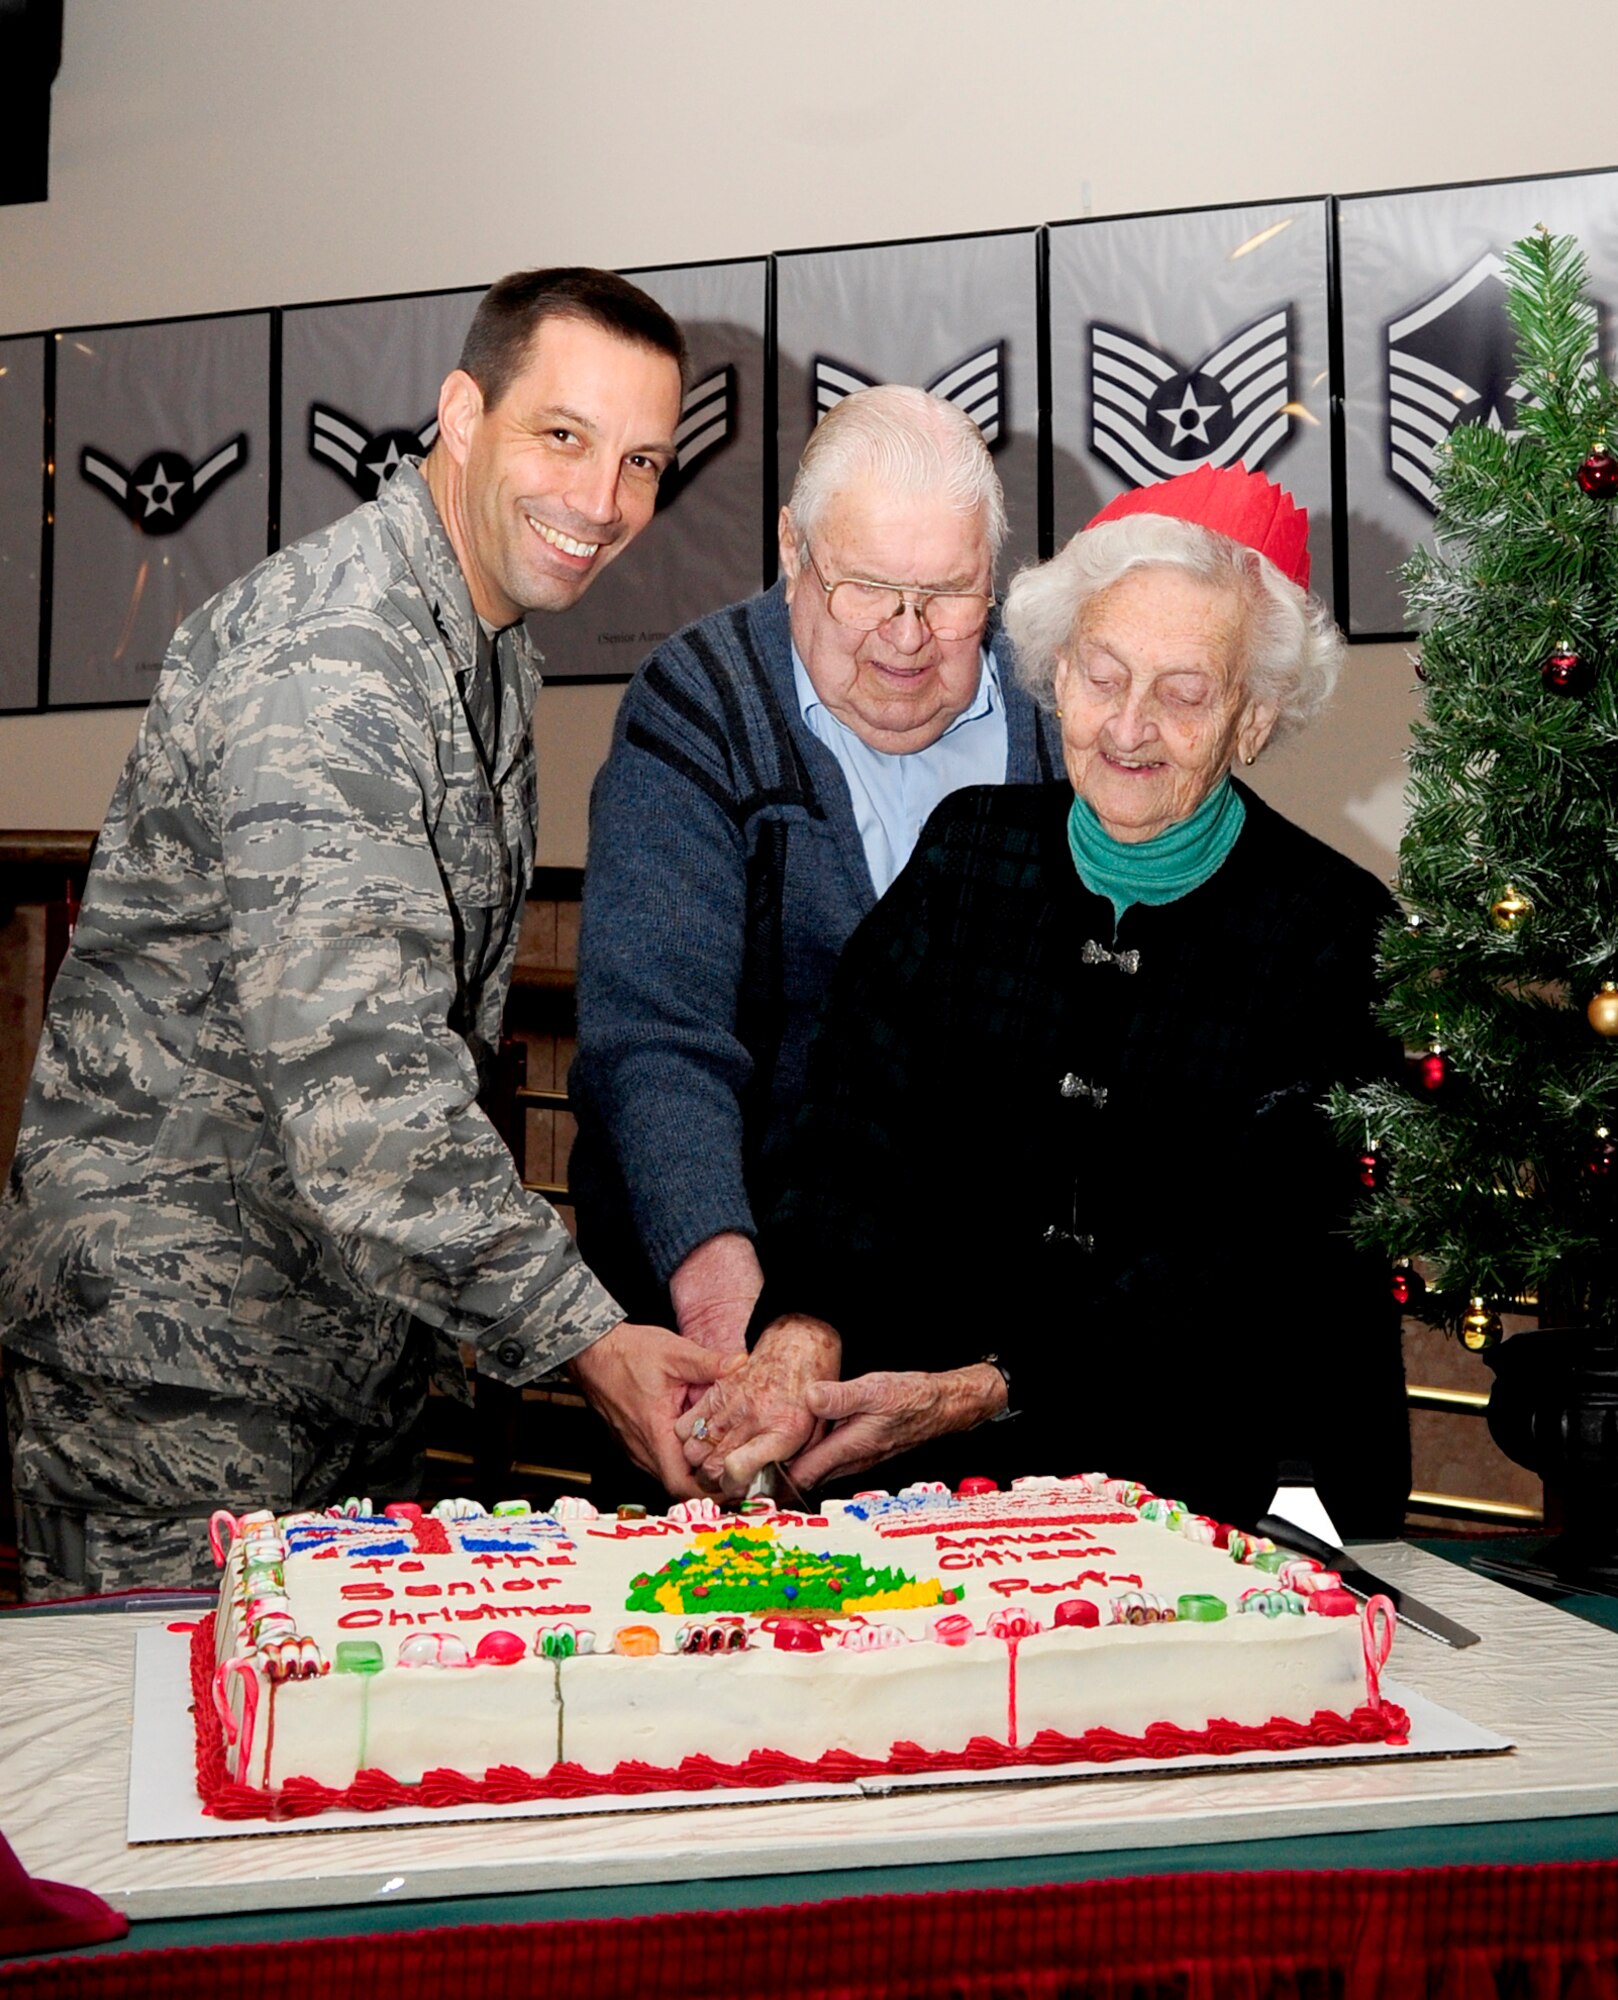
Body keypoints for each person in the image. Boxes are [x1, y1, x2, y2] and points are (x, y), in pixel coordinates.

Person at [0, 267, 725, 1598]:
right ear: (462, 412)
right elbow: (366, 1102)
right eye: (561, 436)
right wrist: (588, 1339)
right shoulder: (337, 657)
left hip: (333, 1349)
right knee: (169, 1778)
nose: (602, 501)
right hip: (183, 1374)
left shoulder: (474, 633)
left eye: (641, 461)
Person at [677, 462, 1412, 1538]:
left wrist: (982, 1384)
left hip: (1226, 1479)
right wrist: (804, 1326)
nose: (1127, 725)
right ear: (1054, 671)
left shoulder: (1336, 932)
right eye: (1100, 674)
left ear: (1252, 719)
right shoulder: (968, 851)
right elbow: (847, 1129)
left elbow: (1254, 1253)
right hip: (956, 1480)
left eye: (1184, 691)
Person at [568, 386, 1060, 1370]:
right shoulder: (700, 703)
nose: (907, 633)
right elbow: (662, 1045)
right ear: (792, 551)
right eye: (867, 587)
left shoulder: (1055, 706)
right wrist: (735, 1342)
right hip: (739, 1287)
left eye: (949, 594)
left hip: (989, 1331)